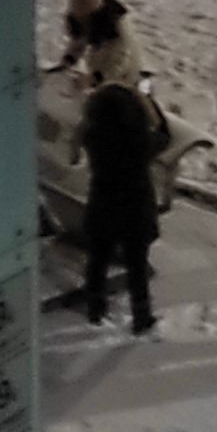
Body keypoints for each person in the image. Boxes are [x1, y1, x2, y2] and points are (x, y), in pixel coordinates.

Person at [71, 82, 163, 333]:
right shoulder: (141, 141)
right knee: (137, 265)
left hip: (103, 203)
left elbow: (79, 138)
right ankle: (141, 315)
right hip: (135, 206)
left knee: (98, 258)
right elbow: (163, 134)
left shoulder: (94, 137)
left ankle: (95, 308)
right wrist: (147, 101)